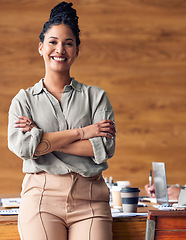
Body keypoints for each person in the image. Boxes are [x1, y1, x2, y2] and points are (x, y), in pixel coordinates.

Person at [8, 2, 116, 240]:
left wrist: (43, 136)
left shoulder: (96, 97)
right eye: (53, 42)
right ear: (41, 47)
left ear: (77, 50)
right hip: (41, 200)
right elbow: (25, 148)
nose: (60, 49)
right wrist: (83, 132)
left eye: (68, 43)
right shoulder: (23, 100)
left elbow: (103, 148)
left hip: (91, 202)